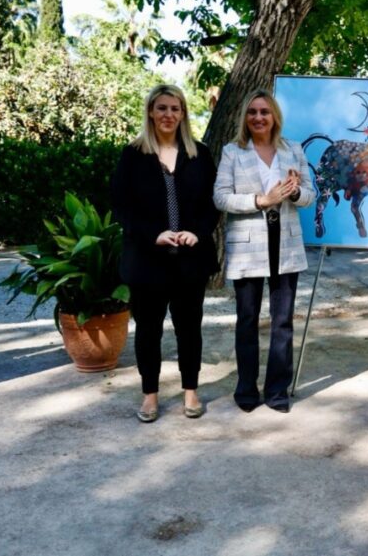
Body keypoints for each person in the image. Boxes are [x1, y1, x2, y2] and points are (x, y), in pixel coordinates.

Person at [111, 84, 219, 423]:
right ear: (150, 112)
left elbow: (211, 205)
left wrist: (196, 232)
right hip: (147, 260)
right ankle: (150, 396)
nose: (168, 114)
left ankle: (191, 391)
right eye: (162, 108)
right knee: (148, 330)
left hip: (189, 261)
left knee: (190, 329)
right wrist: (151, 234)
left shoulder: (199, 154)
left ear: (183, 113)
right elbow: (121, 207)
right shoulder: (133, 154)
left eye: (175, 108)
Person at [213, 89, 315, 413]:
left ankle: (276, 392)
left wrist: (295, 191)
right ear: (246, 117)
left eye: (264, 112)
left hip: (285, 244)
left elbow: (310, 195)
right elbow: (220, 198)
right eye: (252, 112)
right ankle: (246, 391)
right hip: (247, 248)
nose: (258, 117)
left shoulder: (293, 149)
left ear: (274, 118)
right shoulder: (233, 152)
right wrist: (262, 200)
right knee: (247, 320)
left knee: (282, 321)